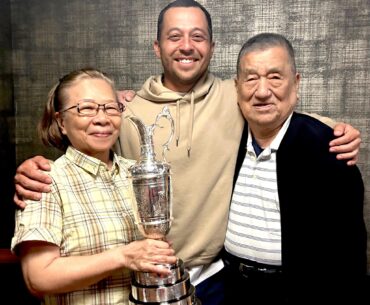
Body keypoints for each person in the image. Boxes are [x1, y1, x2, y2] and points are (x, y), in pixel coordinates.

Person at [13, 1, 362, 304]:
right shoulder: (126, 112)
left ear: (211, 47)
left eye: (197, 37)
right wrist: (38, 165)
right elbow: (84, 138)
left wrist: (337, 130)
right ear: (156, 46)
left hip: (216, 278)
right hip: (144, 277)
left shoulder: (234, 95)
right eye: (174, 36)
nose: (186, 46)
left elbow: (275, 109)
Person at [222, 33, 367, 304]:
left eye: (275, 77)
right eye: (251, 78)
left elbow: (350, 259)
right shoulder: (226, 143)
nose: (262, 91)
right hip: (230, 289)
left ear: (296, 83)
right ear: (237, 87)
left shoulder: (331, 152)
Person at [11, 68, 177, 305]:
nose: (102, 118)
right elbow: (38, 278)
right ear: (61, 122)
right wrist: (124, 256)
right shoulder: (45, 180)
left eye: (111, 107)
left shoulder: (136, 173)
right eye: (86, 108)